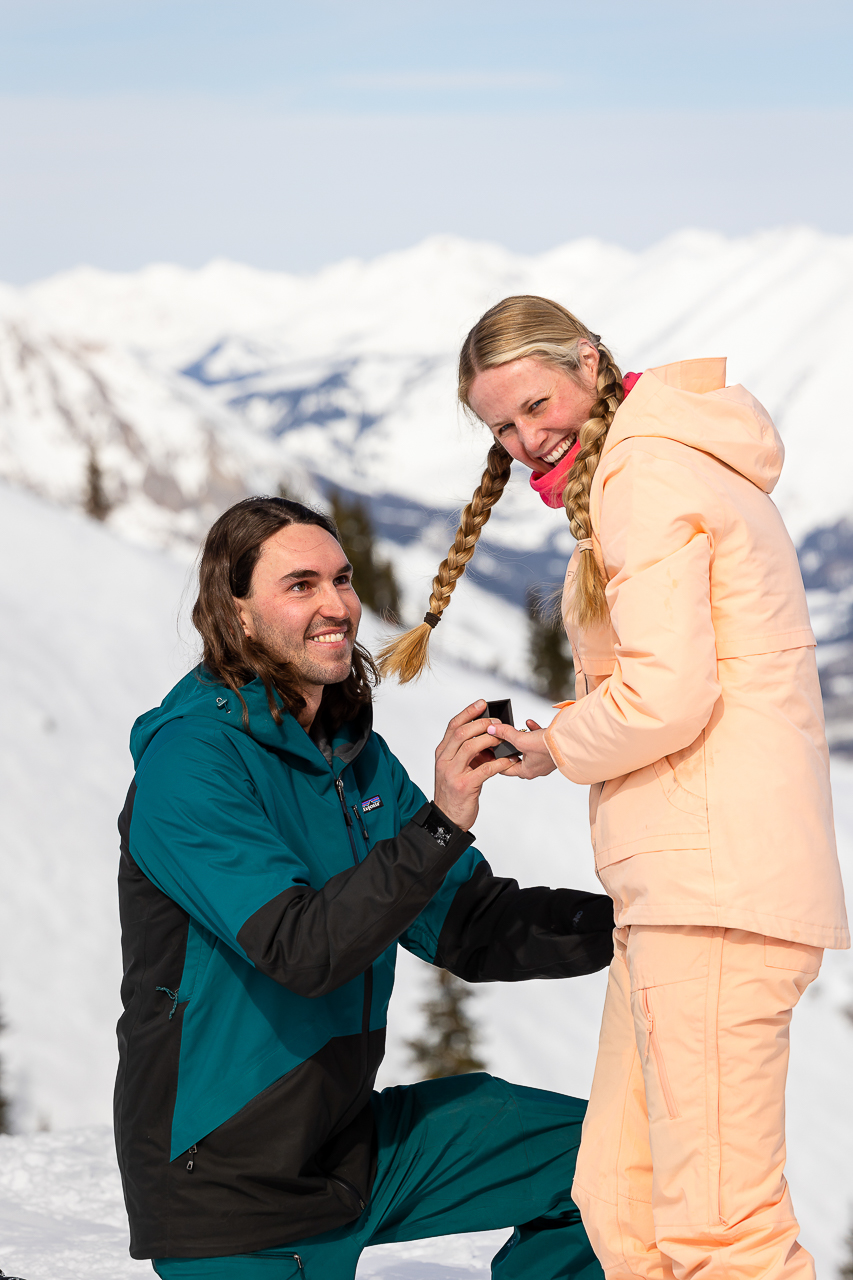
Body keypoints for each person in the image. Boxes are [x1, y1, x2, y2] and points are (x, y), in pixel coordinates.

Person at [379, 295, 850, 1279]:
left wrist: (555, 744)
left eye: (534, 404)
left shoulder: (642, 471)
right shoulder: (643, 463)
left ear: (588, 361)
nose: (524, 437)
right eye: (501, 426)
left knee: (719, 1227)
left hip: (713, 882)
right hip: (681, 884)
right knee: (623, 1198)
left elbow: (666, 696)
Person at [115, 494, 615, 1280]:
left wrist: (640, 921)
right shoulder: (191, 765)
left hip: (350, 1145)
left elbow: (471, 925)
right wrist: (441, 822)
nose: (336, 605)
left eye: (342, 580)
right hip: (233, 1190)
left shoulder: (354, 756)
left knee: (617, 1167)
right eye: (301, 585)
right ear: (237, 613)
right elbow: (300, 949)